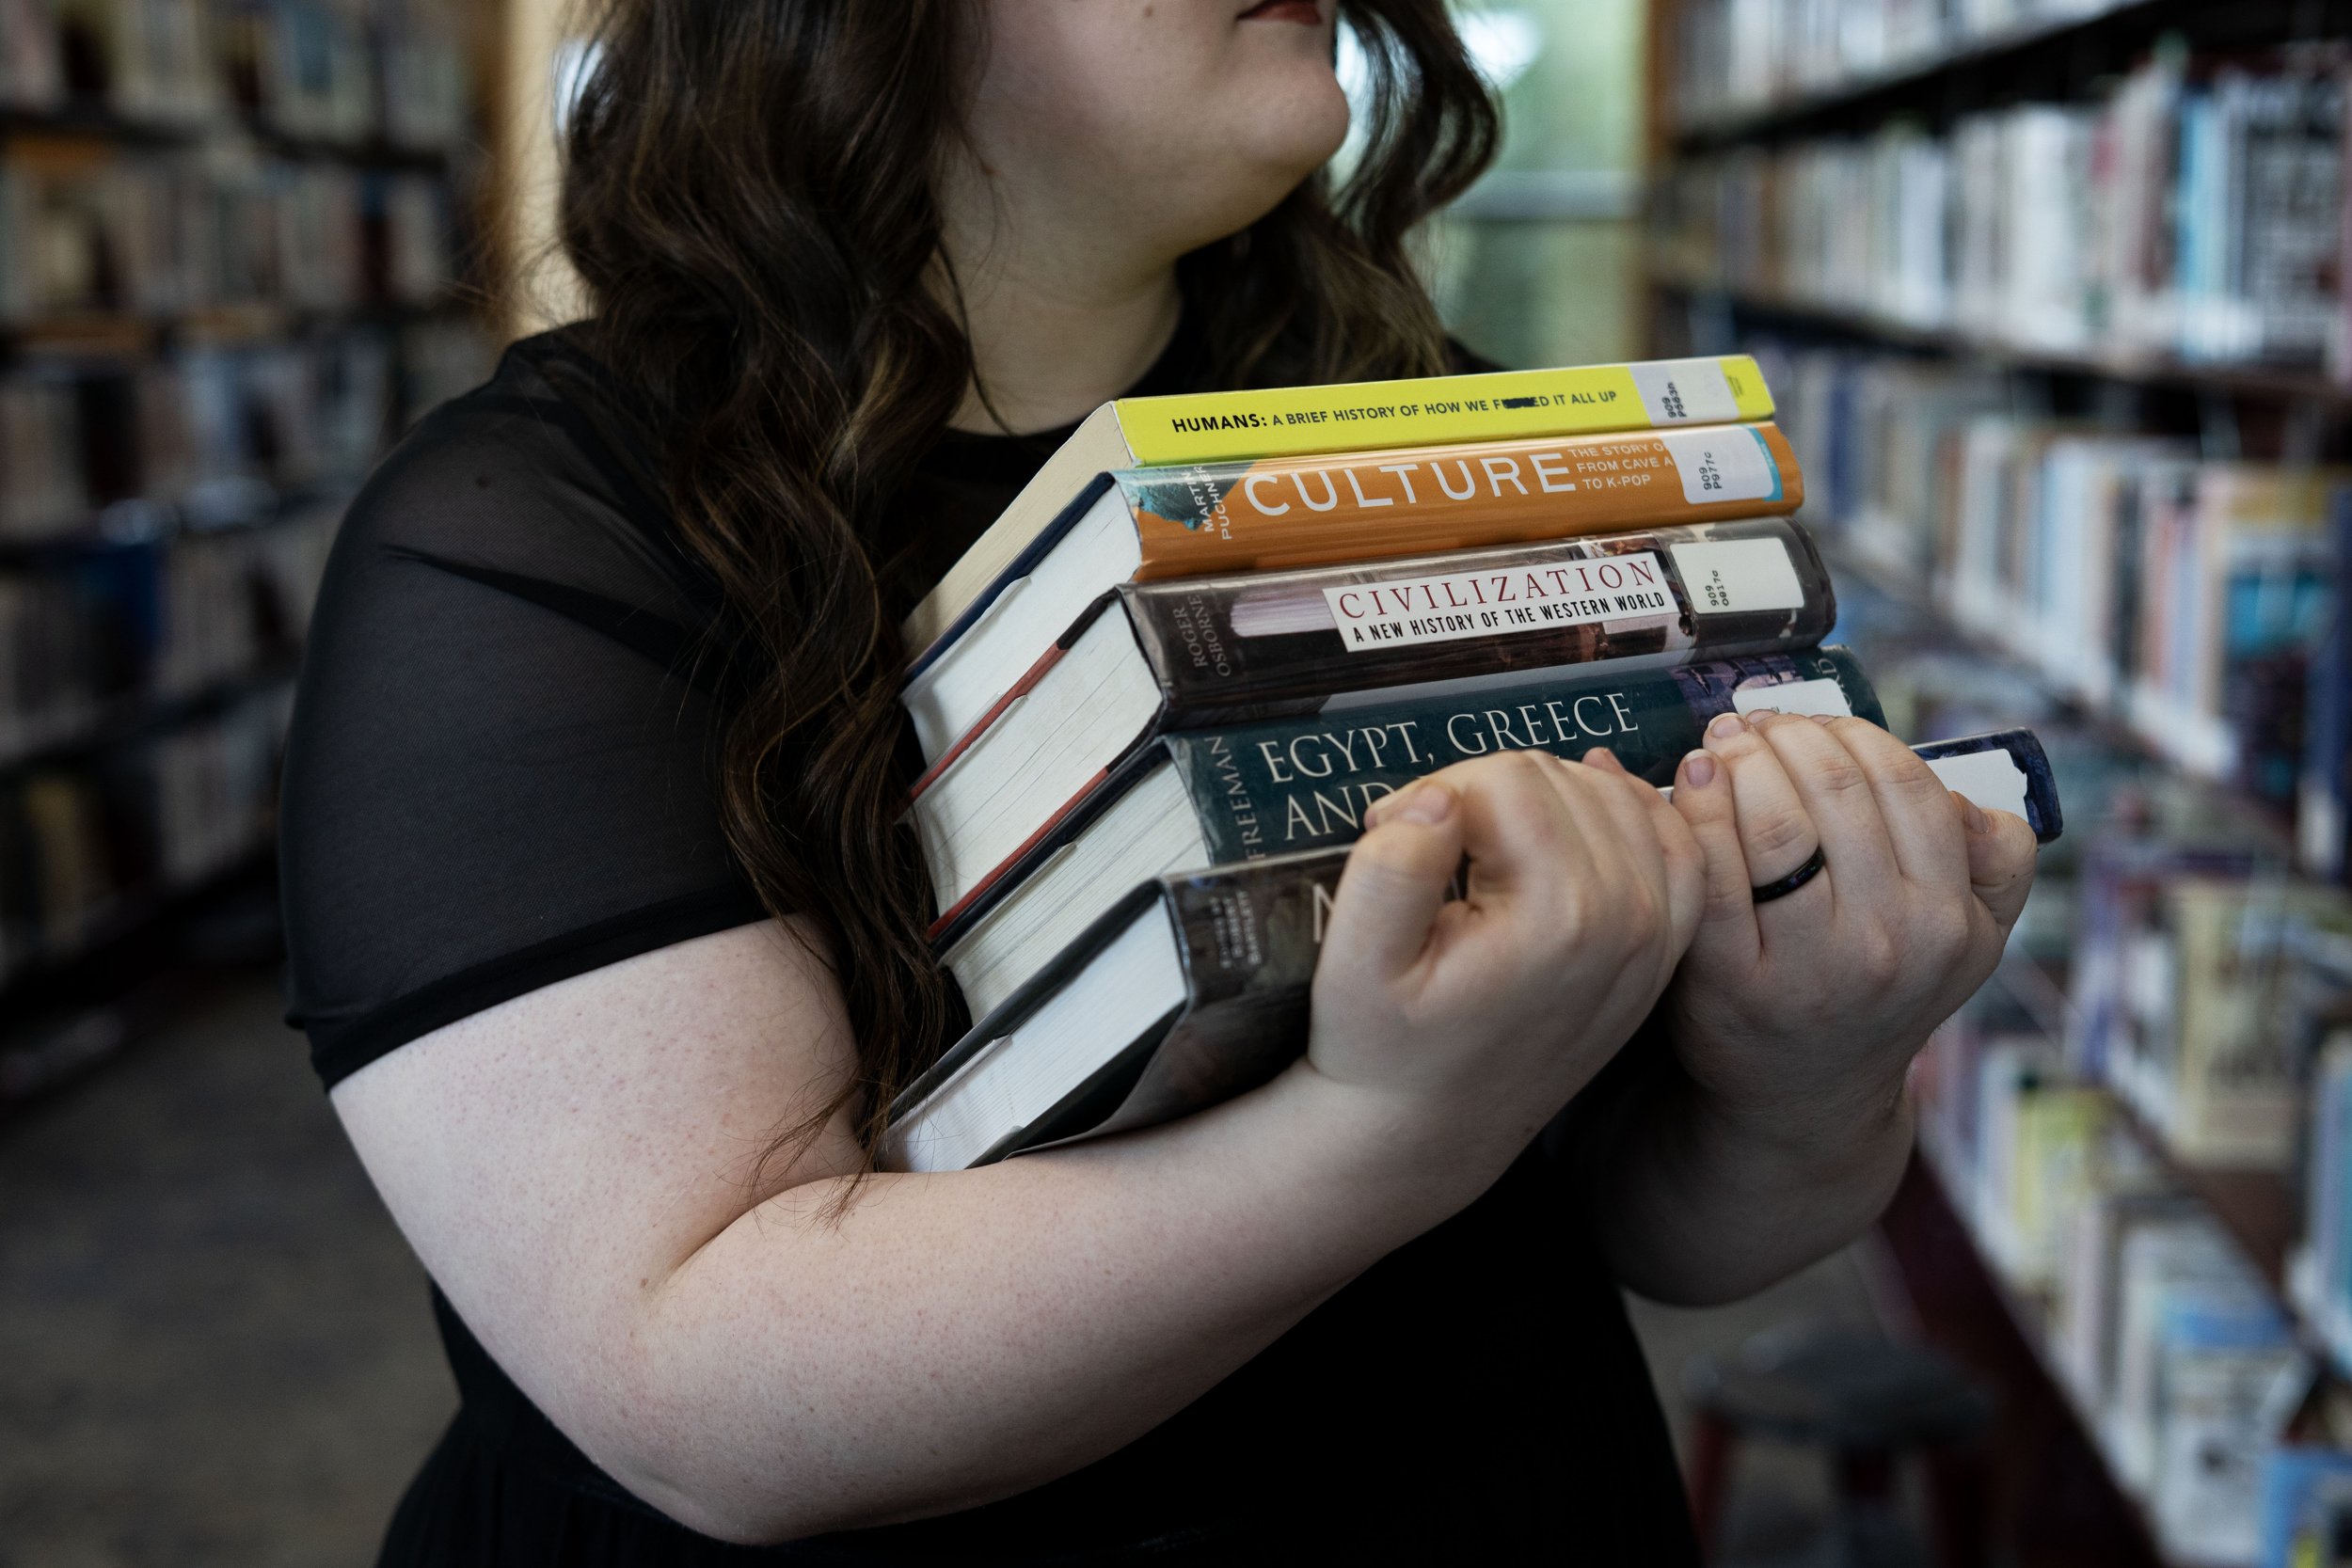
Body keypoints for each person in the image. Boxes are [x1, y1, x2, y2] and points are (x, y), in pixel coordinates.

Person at [279, 2, 2041, 1561]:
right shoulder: (538, 542)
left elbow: (1659, 1228)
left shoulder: (1460, 453)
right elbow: (705, 1390)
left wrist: (1805, 1076)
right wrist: (1383, 1134)